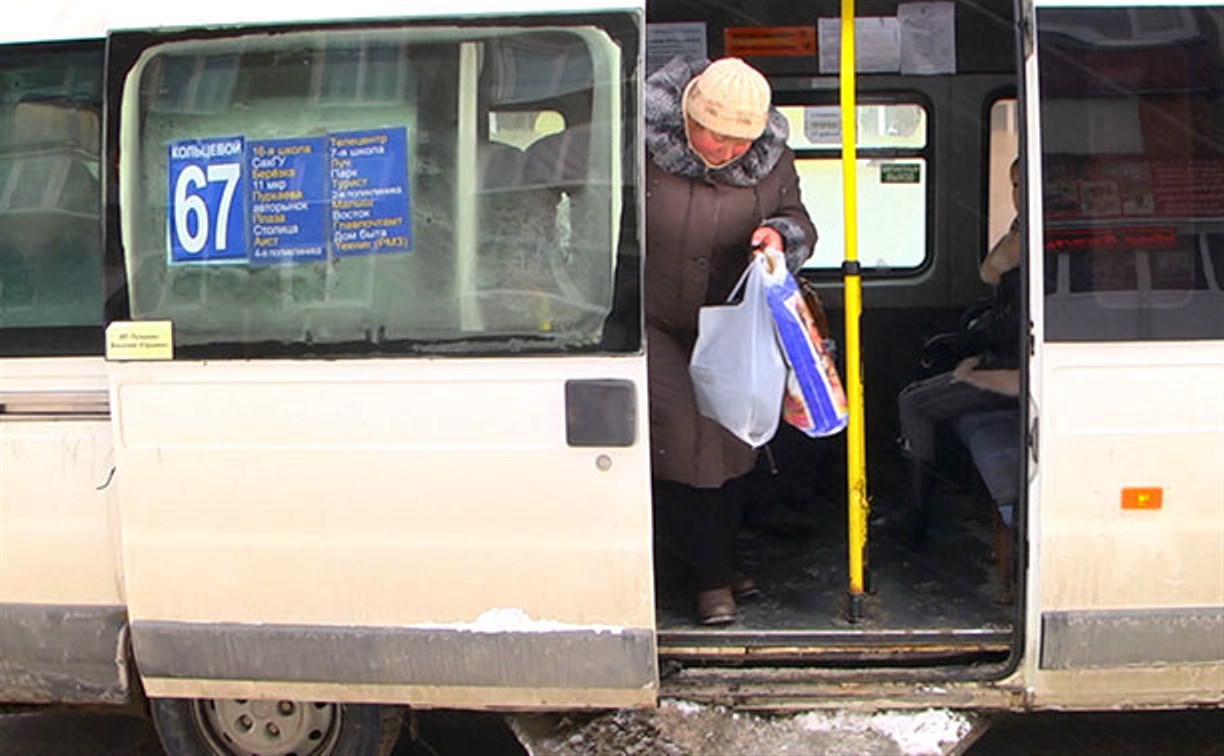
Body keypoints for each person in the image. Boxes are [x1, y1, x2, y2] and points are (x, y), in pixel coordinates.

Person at [644, 57, 817, 625]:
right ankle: (711, 582)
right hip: (652, 319)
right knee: (683, 439)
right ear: (686, 118)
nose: (721, 151)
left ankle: (707, 561)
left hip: (731, 322)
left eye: (736, 144)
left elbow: (799, 221)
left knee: (732, 440)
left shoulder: (772, 160)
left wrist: (779, 236)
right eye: (710, 136)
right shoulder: (639, 142)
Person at [894, 158, 1023, 541]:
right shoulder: (1022, 232)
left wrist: (974, 336)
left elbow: (1015, 321)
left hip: (1012, 369)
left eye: (1024, 185)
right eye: (1013, 184)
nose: (1018, 194)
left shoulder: (1035, 240)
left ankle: (915, 515)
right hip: (1005, 357)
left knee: (912, 403)